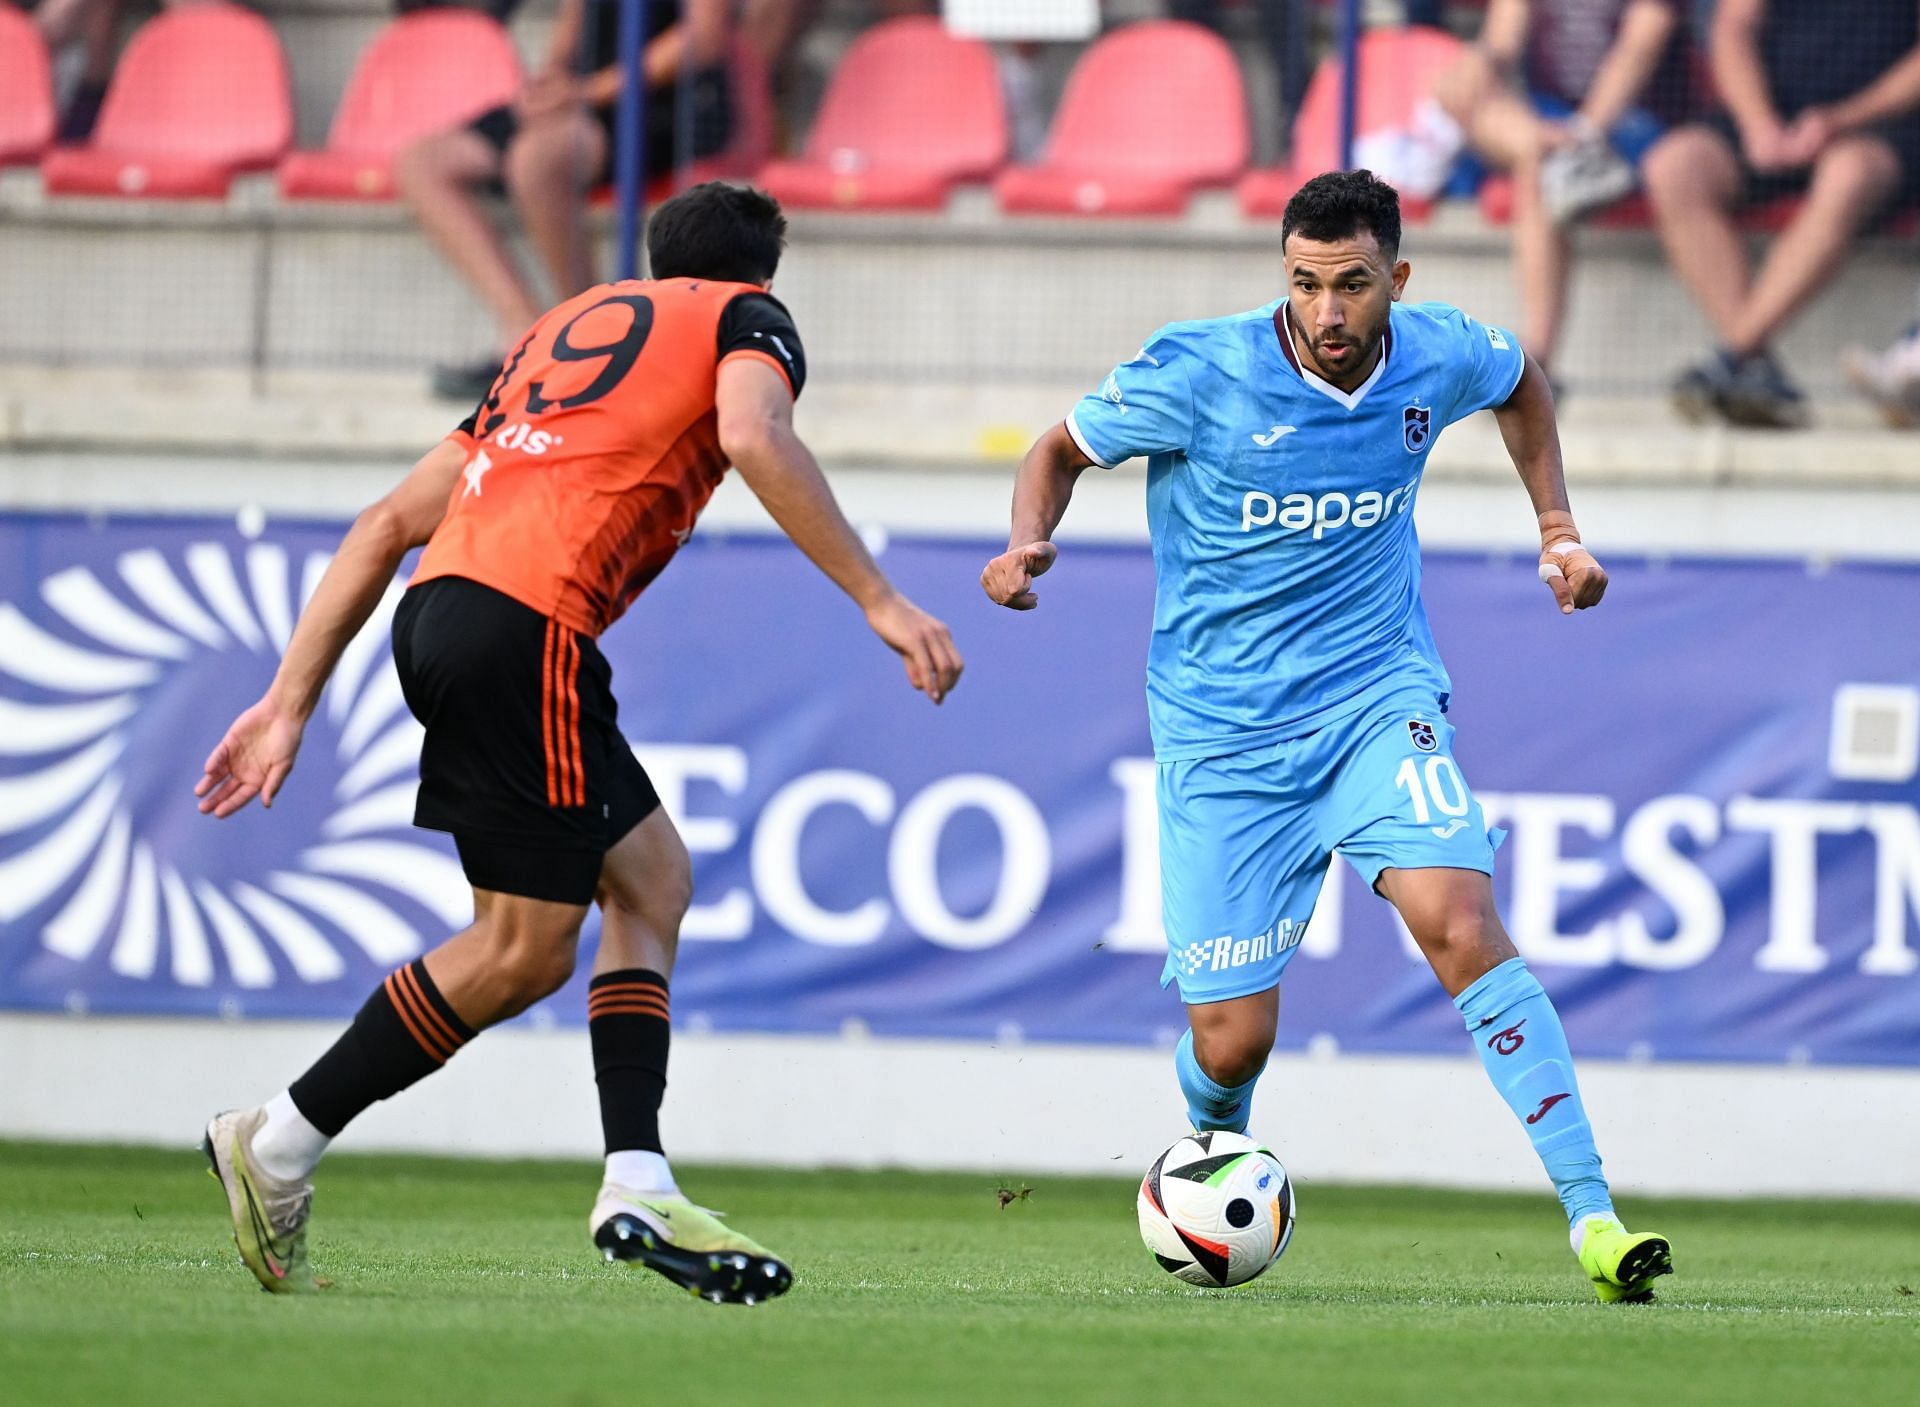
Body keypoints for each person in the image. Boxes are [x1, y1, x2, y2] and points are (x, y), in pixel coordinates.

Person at [196, 184, 963, 1301]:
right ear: (761, 276)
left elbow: (384, 525)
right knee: (521, 950)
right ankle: (277, 1142)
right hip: (530, 626)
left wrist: (287, 702)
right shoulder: (744, 318)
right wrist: (880, 599)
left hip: (449, 610)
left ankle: (637, 1172)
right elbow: (753, 432)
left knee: (651, 880)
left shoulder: (552, 346)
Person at [980, 169, 1672, 1305]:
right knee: (1232, 1043)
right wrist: (1023, 547)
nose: (1328, 312)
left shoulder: (1438, 353)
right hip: (1222, 735)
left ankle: (1595, 1218)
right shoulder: (1198, 370)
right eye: (1305, 285)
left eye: (1352, 286)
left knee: (1459, 919)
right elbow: (1055, 450)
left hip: (1374, 701)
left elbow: (1522, 382)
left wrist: (1559, 528)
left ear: (1395, 280)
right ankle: (1211, 1148)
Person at [397, 0, 736, 402]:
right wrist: (549, 83)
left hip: (665, 102)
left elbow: (703, 37)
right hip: (581, 98)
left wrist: (590, 91)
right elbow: (573, 26)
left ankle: (595, 340)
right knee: (422, 163)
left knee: (536, 162)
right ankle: (523, 335)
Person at [1642, 0, 1920, 429]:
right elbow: (1732, 28)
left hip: (1882, 125)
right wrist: (1759, 125)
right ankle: (1752, 368)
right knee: (1673, 167)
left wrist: (1841, 120)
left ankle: (1733, 355)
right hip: (1775, 115)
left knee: (1848, 175)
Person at [1432, 0, 1687, 380]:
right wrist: (1478, 63)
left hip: (1632, 122)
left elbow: (1641, 46)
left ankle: (1538, 360)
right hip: (1549, 121)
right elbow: (1502, 40)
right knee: (1454, 86)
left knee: (1539, 168)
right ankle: (1542, 144)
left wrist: (1586, 132)